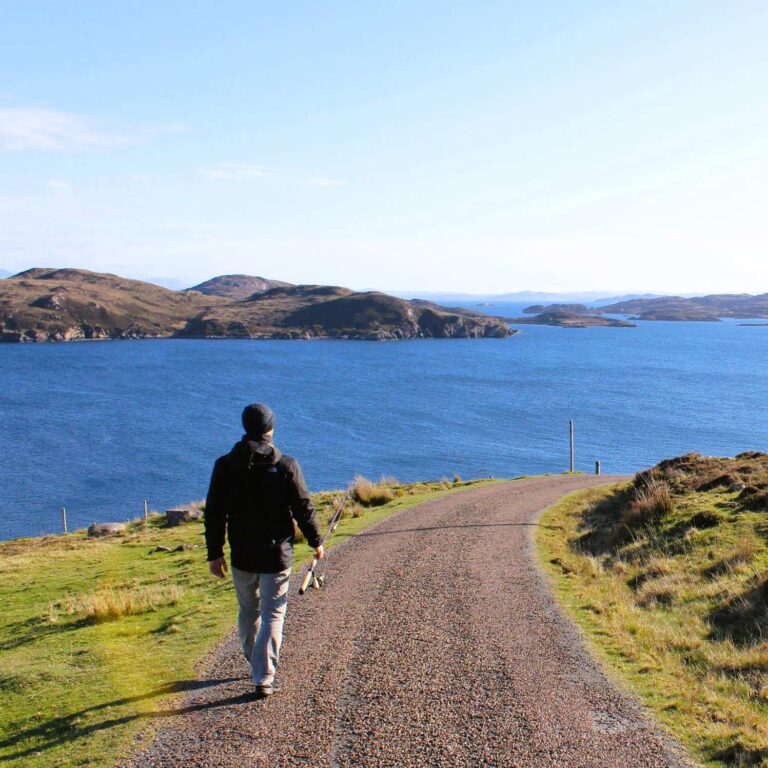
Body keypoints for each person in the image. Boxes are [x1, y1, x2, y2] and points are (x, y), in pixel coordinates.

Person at [204, 403, 324, 699]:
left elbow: (215, 513)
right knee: (273, 614)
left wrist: (214, 553)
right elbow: (303, 508)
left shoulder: (225, 465)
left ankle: (255, 662)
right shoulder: (286, 466)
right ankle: (264, 676)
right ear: (271, 428)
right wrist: (316, 541)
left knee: (248, 610)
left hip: (242, 554)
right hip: (277, 555)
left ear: (246, 427)